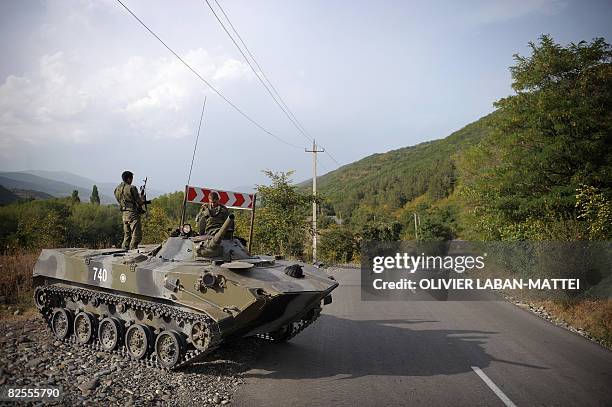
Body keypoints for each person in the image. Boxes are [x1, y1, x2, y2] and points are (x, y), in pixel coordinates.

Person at [114, 171, 146, 250]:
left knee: (127, 235)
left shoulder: (117, 189)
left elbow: (121, 200)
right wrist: (142, 198)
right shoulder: (132, 188)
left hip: (124, 214)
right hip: (132, 214)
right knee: (136, 235)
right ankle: (132, 251)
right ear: (128, 178)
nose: (132, 180)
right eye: (131, 178)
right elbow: (139, 202)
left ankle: (124, 249)